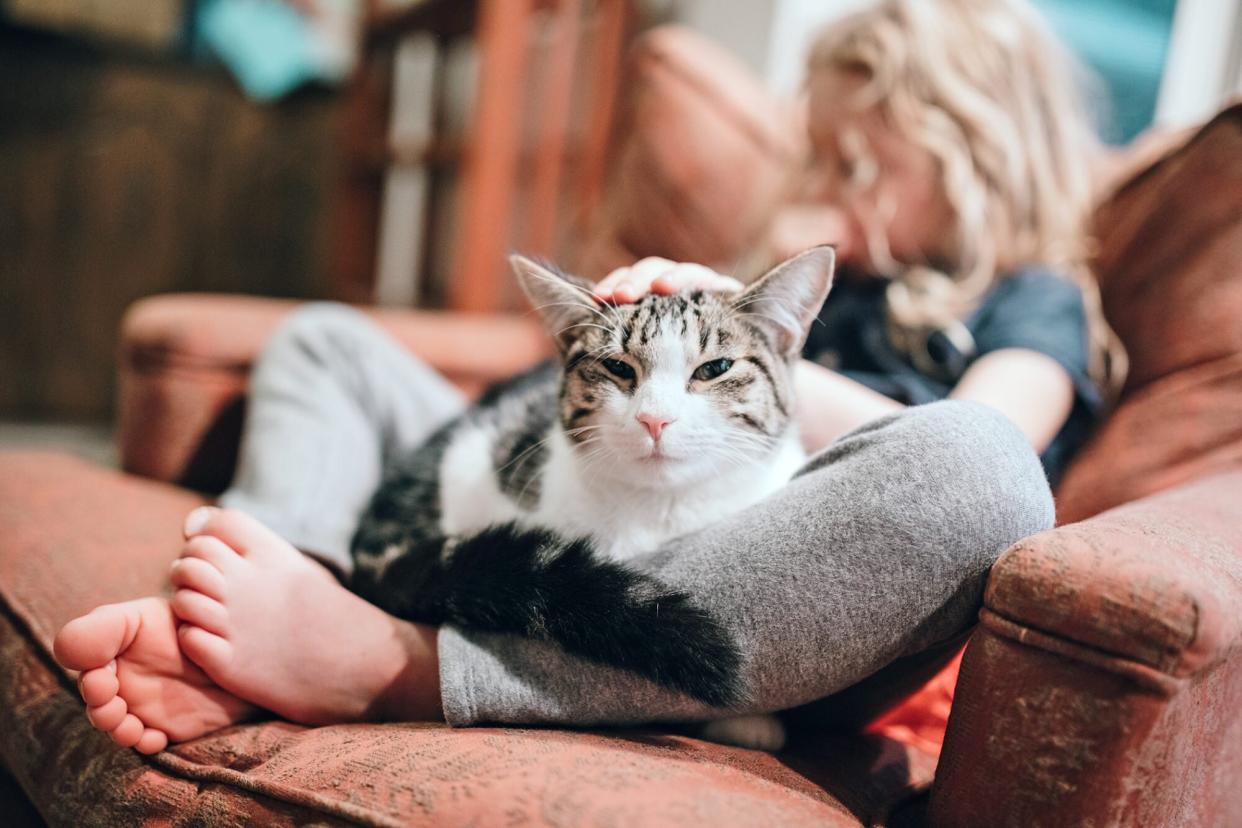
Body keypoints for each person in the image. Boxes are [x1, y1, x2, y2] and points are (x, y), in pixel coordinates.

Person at [52, 0, 1111, 755]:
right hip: (609, 489)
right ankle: (281, 582)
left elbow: (1001, 441)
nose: (824, 185)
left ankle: (399, 664)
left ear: (976, 148)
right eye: (818, 155)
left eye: (857, 162)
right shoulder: (803, 261)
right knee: (324, 340)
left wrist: (762, 341)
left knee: (975, 467)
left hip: (790, 605)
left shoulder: (1030, 302)